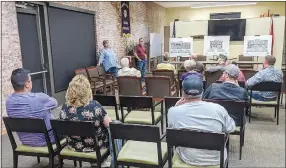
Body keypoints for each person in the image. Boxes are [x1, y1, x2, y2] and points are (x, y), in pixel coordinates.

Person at [168, 76, 236, 166]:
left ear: (183, 93)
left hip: (187, 158)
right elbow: (231, 128)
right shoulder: (218, 109)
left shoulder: (173, 111)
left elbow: (172, 130)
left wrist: (176, 107)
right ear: (203, 92)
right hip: (216, 160)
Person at [60, 75, 112, 167]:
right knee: (114, 130)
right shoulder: (95, 106)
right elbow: (109, 124)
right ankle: (104, 162)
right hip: (95, 146)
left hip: (73, 145)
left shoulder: (64, 108)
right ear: (87, 90)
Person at [6, 68, 58, 147]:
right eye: (30, 80)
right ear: (27, 84)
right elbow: (55, 103)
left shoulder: (8, 100)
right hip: (48, 139)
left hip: (25, 141)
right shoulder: (39, 98)